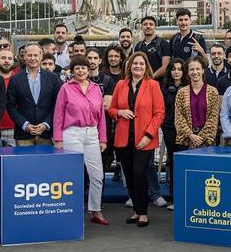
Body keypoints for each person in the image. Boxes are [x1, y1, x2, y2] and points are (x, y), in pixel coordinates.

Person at [108, 52, 164, 227]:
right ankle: (136, 211)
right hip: (124, 139)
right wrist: (119, 112)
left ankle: (144, 213)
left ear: (146, 66)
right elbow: (111, 109)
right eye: (135, 64)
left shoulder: (153, 85)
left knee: (140, 174)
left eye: (141, 64)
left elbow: (159, 113)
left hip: (144, 139)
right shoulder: (120, 85)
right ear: (129, 66)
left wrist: (149, 135)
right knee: (130, 176)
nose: (138, 66)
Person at [53, 54, 110, 225]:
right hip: (71, 133)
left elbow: (101, 117)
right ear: (72, 70)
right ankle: (74, 210)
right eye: (77, 68)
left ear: (89, 69)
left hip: (92, 133)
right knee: (74, 175)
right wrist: (58, 138)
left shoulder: (95, 89)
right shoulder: (66, 88)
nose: (81, 71)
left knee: (97, 175)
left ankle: (95, 210)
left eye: (83, 67)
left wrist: (103, 138)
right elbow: (58, 114)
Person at [8, 42, 60, 147]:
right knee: (24, 163)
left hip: (46, 134)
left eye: (35, 55)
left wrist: (46, 124)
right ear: (24, 57)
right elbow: (10, 106)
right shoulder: (15, 79)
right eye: (29, 55)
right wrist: (25, 125)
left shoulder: (53, 78)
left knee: (46, 163)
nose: (32, 58)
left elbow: (57, 104)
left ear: (41, 56)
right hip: (23, 135)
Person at [175, 54, 221, 154]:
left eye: (198, 69)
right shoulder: (181, 92)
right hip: (186, 142)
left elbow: (213, 118)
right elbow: (179, 117)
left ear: (203, 70)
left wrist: (200, 138)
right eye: (192, 69)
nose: (195, 72)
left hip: (206, 142)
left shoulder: (213, 92)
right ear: (187, 72)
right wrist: (191, 135)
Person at [158, 59, 186, 201]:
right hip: (170, 129)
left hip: (187, 131)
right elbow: (161, 110)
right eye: (174, 69)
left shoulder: (188, 87)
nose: (176, 72)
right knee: (173, 162)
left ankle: (186, 196)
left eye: (180, 69)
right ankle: (175, 197)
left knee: (185, 163)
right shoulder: (164, 88)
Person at [134, 15, 170, 80]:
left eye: (151, 24)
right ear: (141, 27)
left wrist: (150, 78)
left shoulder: (163, 44)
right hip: (141, 83)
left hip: (158, 84)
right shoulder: (138, 46)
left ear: (155, 27)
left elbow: (165, 67)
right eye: (145, 24)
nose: (148, 26)